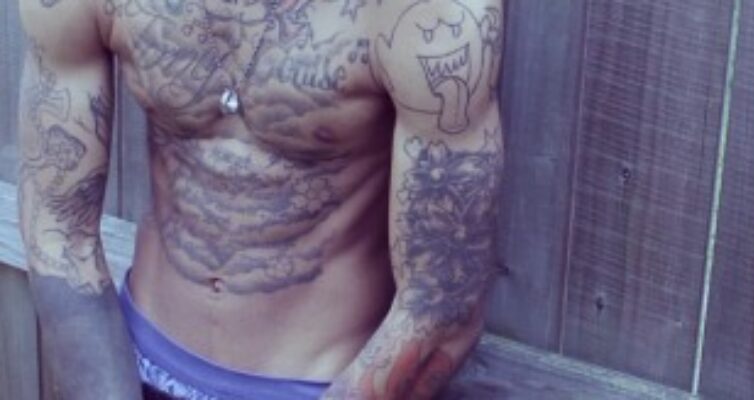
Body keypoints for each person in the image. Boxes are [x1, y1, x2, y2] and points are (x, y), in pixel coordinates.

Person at [16, 0, 504, 398]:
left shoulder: (432, 15)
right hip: (129, 363)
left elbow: (441, 309)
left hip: (327, 386)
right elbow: (57, 227)